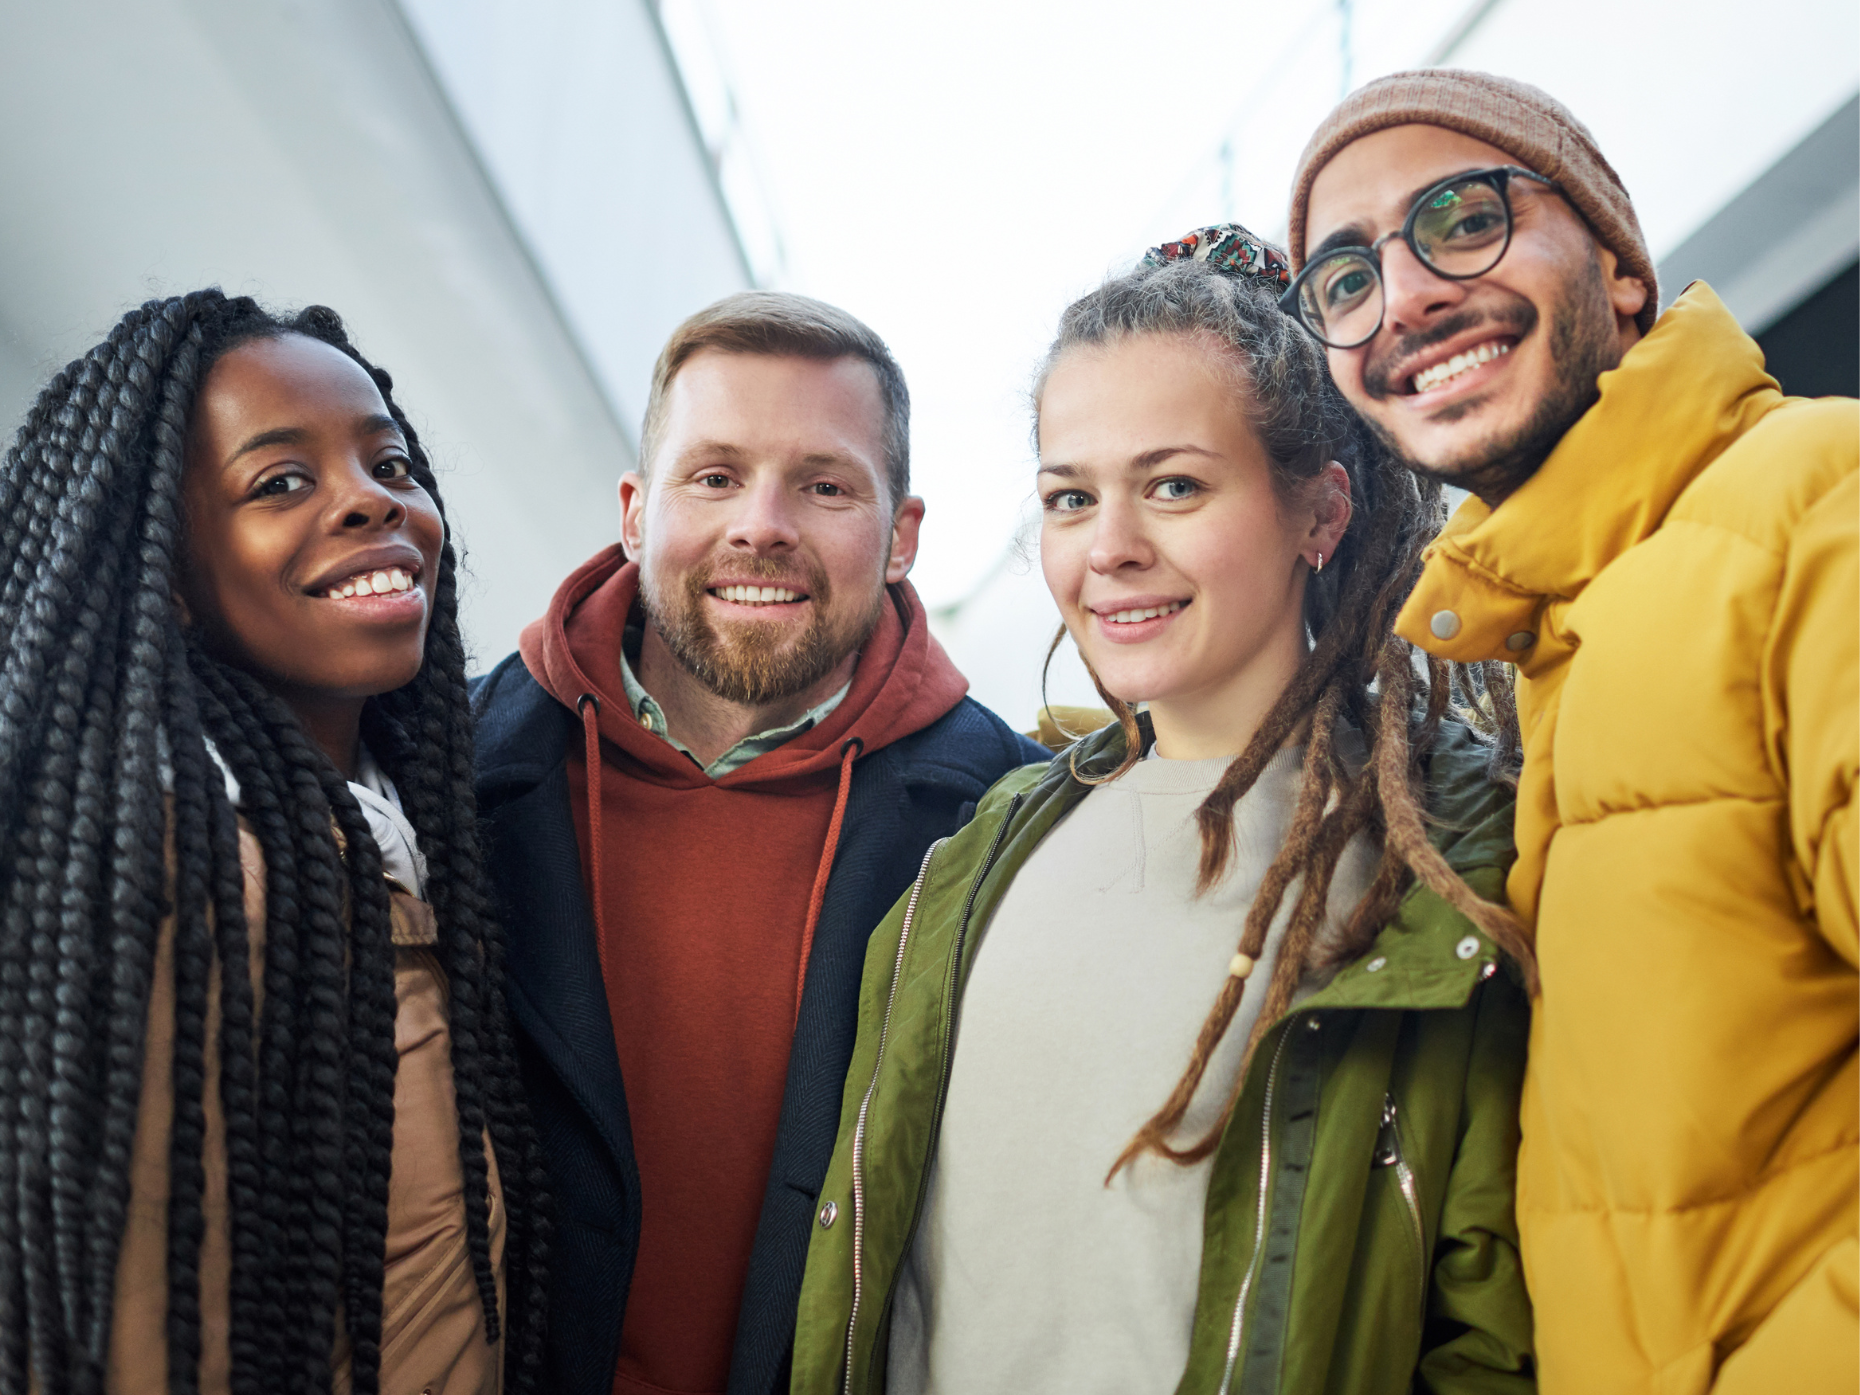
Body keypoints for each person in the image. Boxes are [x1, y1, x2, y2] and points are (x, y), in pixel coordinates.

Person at [790, 227, 1538, 1394]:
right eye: (1071, 498)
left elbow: (1499, 1330)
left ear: (1320, 513)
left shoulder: (1452, 858)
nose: (1112, 550)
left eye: (1175, 485)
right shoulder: (977, 857)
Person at [1283, 70, 1858, 1394]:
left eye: (1462, 216)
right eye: (1346, 277)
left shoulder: (1814, 501)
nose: (1408, 295)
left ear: (1618, 266)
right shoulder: (1555, 636)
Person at [470, 291, 1046, 1395]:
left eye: (825, 486)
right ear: (637, 512)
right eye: (716, 476)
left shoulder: (1009, 819)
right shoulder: (445, 767)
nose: (762, 526)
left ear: (902, 535)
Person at [0, 291, 548, 1393]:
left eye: (391, 467)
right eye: (280, 482)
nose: (371, 504)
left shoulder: (412, 837)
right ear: (170, 578)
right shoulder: (179, 879)